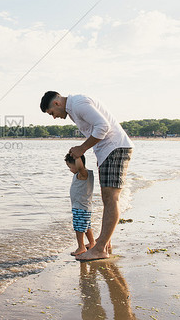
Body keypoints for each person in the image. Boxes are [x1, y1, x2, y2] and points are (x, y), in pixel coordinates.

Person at [40, 91, 133, 261]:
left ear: (56, 103)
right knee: (107, 198)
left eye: (52, 113)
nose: (53, 118)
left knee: (111, 198)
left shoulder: (78, 104)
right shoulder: (74, 109)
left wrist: (82, 148)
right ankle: (105, 243)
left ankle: (100, 249)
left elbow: (103, 126)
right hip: (108, 152)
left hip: (115, 148)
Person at [65, 153, 95, 256]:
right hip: (82, 207)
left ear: (77, 164)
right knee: (86, 227)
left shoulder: (83, 174)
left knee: (79, 228)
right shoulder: (79, 174)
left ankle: (81, 247)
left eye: (70, 166)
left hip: (81, 207)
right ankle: (92, 243)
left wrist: (77, 156)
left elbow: (80, 167)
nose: (70, 169)